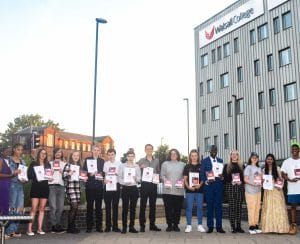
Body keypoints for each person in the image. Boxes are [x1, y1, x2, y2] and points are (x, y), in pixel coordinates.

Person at [260, 154, 289, 233]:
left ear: (273, 160)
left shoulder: (277, 169)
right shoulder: (263, 170)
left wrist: (280, 186)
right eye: (268, 159)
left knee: (278, 208)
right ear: (266, 160)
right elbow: (261, 181)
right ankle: (269, 228)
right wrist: (262, 182)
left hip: (276, 191)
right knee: (269, 208)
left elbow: (281, 179)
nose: (269, 161)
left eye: (271, 159)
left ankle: (280, 228)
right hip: (268, 192)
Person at [200, 145, 225, 233]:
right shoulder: (204, 161)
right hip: (209, 187)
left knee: (219, 207)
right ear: (209, 151)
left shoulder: (221, 161)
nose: (214, 151)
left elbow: (222, 174)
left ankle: (219, 227)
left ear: (217, 151)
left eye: (215, 150)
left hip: (218, 186)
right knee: (209, 207)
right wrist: (206, 181)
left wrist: (222, 177)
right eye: (212, 150)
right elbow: (202, 174)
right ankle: (210, 226)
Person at [27, 148, 51, 236]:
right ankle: (29, 229)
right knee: (33, 208)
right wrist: (36, 174)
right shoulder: (33, 163)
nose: (43, 155)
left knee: (42, 208)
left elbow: (49, 176)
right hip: (36, 187)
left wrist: (50, 177)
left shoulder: (48, 164)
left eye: (45, 153)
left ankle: (39, 228)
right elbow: (29, 176)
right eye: (42, 153)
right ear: (38, 154)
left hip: (45, 187)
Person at [137, 144, 161, 232]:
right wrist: (140, 167)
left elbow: (158, 172)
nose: (149, 150)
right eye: (147, 149)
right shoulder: (141, 160)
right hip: (144, 185)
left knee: (153, 206)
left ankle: (152, 225)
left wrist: (158, 178)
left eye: (150, 149)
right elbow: (136, 171)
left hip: (153, 185)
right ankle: (142, 225)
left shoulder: (157, 161)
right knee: (143, 205)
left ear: (152, 150)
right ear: (145, 150)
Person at [160, 149, 185, 232]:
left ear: (178, 155)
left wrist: (181, 181)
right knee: (168, 209)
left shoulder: (183, 164)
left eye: (175, 154)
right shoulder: (165, 164)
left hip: (179, 191)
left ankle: (176, 225)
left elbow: (184, 177)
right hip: (167, 191)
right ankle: (169, 225)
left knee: (177, 209)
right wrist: (165, 180)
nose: (173, 155)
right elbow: (162, 175)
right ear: (169, 155)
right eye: (172, 154)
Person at [5, 144, 27, 239]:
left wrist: (25, 179)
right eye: (18, 149)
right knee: (11, 209)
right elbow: (6, 174)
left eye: (21, 150)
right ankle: (6, 231)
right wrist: (14, 173)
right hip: (11, 186)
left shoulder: (23, 161)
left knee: (20, 209)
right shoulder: (8, 160)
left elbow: (24, 175)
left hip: (20, 186)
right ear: (14, 150)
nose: (20, 151)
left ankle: (11, 231)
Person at [83, 145, 105, 233]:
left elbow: (104, 173)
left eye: (98, 150)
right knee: (89, 207)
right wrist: (89, 174)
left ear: (99, 151)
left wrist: (101, 175)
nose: (96, 151)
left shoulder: (102, 161)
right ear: (92, 151)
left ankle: (99, 227)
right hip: (90, 187)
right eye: (94, 150)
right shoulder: (87, 160)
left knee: (99, 207)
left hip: (99, 187)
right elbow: (84, 172)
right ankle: (89, 227)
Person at [222, 150, 245, 233]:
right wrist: (230, 181)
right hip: (230, 187)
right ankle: (232, 227)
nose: (234, 156)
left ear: (238, 156)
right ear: (230, 156)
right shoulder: (226, 166)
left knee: (239, 207)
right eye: (233, 154)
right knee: (232, 207)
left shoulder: (242, 166)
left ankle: (238, 226)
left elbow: (244, 177)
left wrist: (241, 181)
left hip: (239, 187)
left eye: (236, 154)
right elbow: (224, 178)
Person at [118, 150, 141, 234]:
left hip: (134, 189)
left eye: (132, 156)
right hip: (125, 188)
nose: (130, 158)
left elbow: (139, 179)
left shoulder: (137, 166)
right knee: (125, 208)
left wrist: (136, 179)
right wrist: (124, 182)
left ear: (134, 157)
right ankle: (124, 227)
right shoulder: (122, 166)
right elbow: (119, 178)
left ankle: (131, 227)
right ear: (126, 157)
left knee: (133, 209)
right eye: (129, 156)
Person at [183, 149, 205, 233]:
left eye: (195, 155)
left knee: (200, 208)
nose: (194, 157)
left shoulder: (201, 166)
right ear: (190, 157)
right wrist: (188, 187)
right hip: (190, 190)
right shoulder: (187, 166)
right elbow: (185, 179)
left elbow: (203, 178)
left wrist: (200, 185)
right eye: (192, 156)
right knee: (189, 208)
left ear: (198, 156)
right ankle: (189, 225)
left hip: (199, 190)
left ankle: (200, 225)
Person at [281, 142, 300, 235]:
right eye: (293, 150)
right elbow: (282, 173)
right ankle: (293, 225)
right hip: (292, 188)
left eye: (296, 149)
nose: (294, 151)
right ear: (291, 151)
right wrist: (289, 179)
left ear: (299, 150)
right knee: (293, 206)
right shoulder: (287, 161)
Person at [63, 151, 83, 234]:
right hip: (70, 188)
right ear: (71, 156)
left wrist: (83, 178)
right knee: (74, 207)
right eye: (74, 155)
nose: (76, 156)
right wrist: (69, 173)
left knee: (75, 208)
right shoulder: (68, 165)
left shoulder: (79, 166)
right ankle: (70, 228)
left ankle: (72, 227)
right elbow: (63, 177)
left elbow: (81, 178)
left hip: (77, 188)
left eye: (77, 155)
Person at [103, 148, 121, 232]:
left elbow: (121, 175)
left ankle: (115, 226)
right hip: (108, 186)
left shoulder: (119, 163)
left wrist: (117, 174)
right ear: (107, 155)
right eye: (109, 155)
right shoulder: (106, 164)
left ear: (115, 155)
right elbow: (105, 175)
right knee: (107, 207)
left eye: (112, 154)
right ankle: (107, 226)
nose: (110, 156)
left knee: (115, 207)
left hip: (116, 186)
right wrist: (104, 180)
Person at [243, 152, 262, 235]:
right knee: (251, 208)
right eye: (253, 157)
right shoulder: (248, 167)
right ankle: (251, 226)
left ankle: (256, 225)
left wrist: (262, 182)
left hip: (258, 191)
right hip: (250, 191)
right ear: (250, 158)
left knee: (257, 208)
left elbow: (261, 178)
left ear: (258, 159)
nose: (254, 158)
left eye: (256, 157)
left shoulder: (259, 168)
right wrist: (253, 183)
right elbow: (245, 179)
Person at [49, 148, 66, 233]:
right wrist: (51, 172)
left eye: (60, 152)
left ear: (61, 154)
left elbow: (67, 176)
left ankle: (58, 225)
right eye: (57, 152)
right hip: (52, 186)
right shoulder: (49, 163)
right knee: (53, 207)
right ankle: (53, 226)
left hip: (61, 186)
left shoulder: (64, 164)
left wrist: (62, 172)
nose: (58, 154)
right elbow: (46, 176)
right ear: (54, 154)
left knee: (60, 207)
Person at [0, 149, 12, 216]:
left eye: (10, 152)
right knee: (2, 204)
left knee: (6, 204)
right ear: (2, 152)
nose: (8, 153)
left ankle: (3, 224)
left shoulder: (9, 161)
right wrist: (10, 175)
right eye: (6, 151)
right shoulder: (1, 160)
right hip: (2, 185)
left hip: (8, 184)